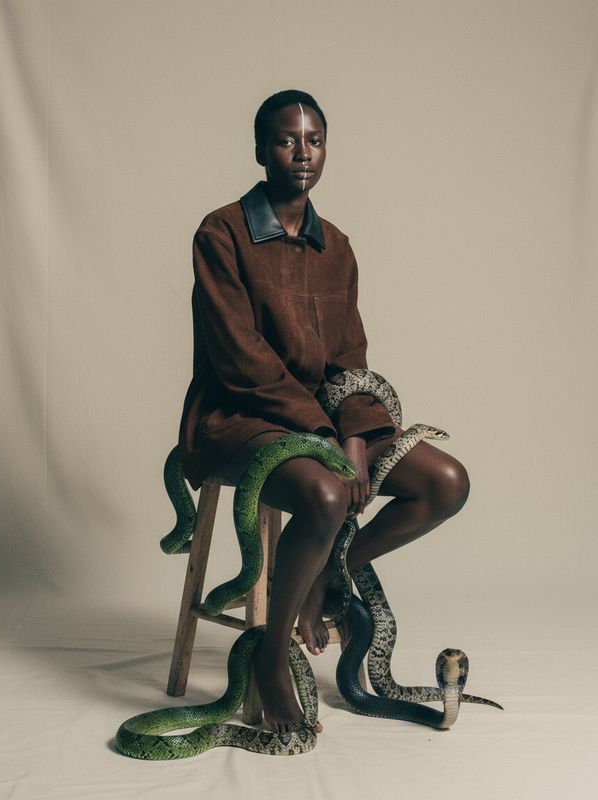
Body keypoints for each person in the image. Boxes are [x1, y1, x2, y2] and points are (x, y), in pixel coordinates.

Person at [178, 90, 470, 734]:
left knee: (445, 483)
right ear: (261, 150)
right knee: (329, 493)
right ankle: (272, 656)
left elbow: (348, 356)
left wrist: (357, 433)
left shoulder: (335, 245)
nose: (301, 152)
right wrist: (319, 430)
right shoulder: (220, 232)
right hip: (239, 417)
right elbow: (239, 359)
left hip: (323, 419)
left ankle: (328, 576)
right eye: (286, 140)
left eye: (314, 139)